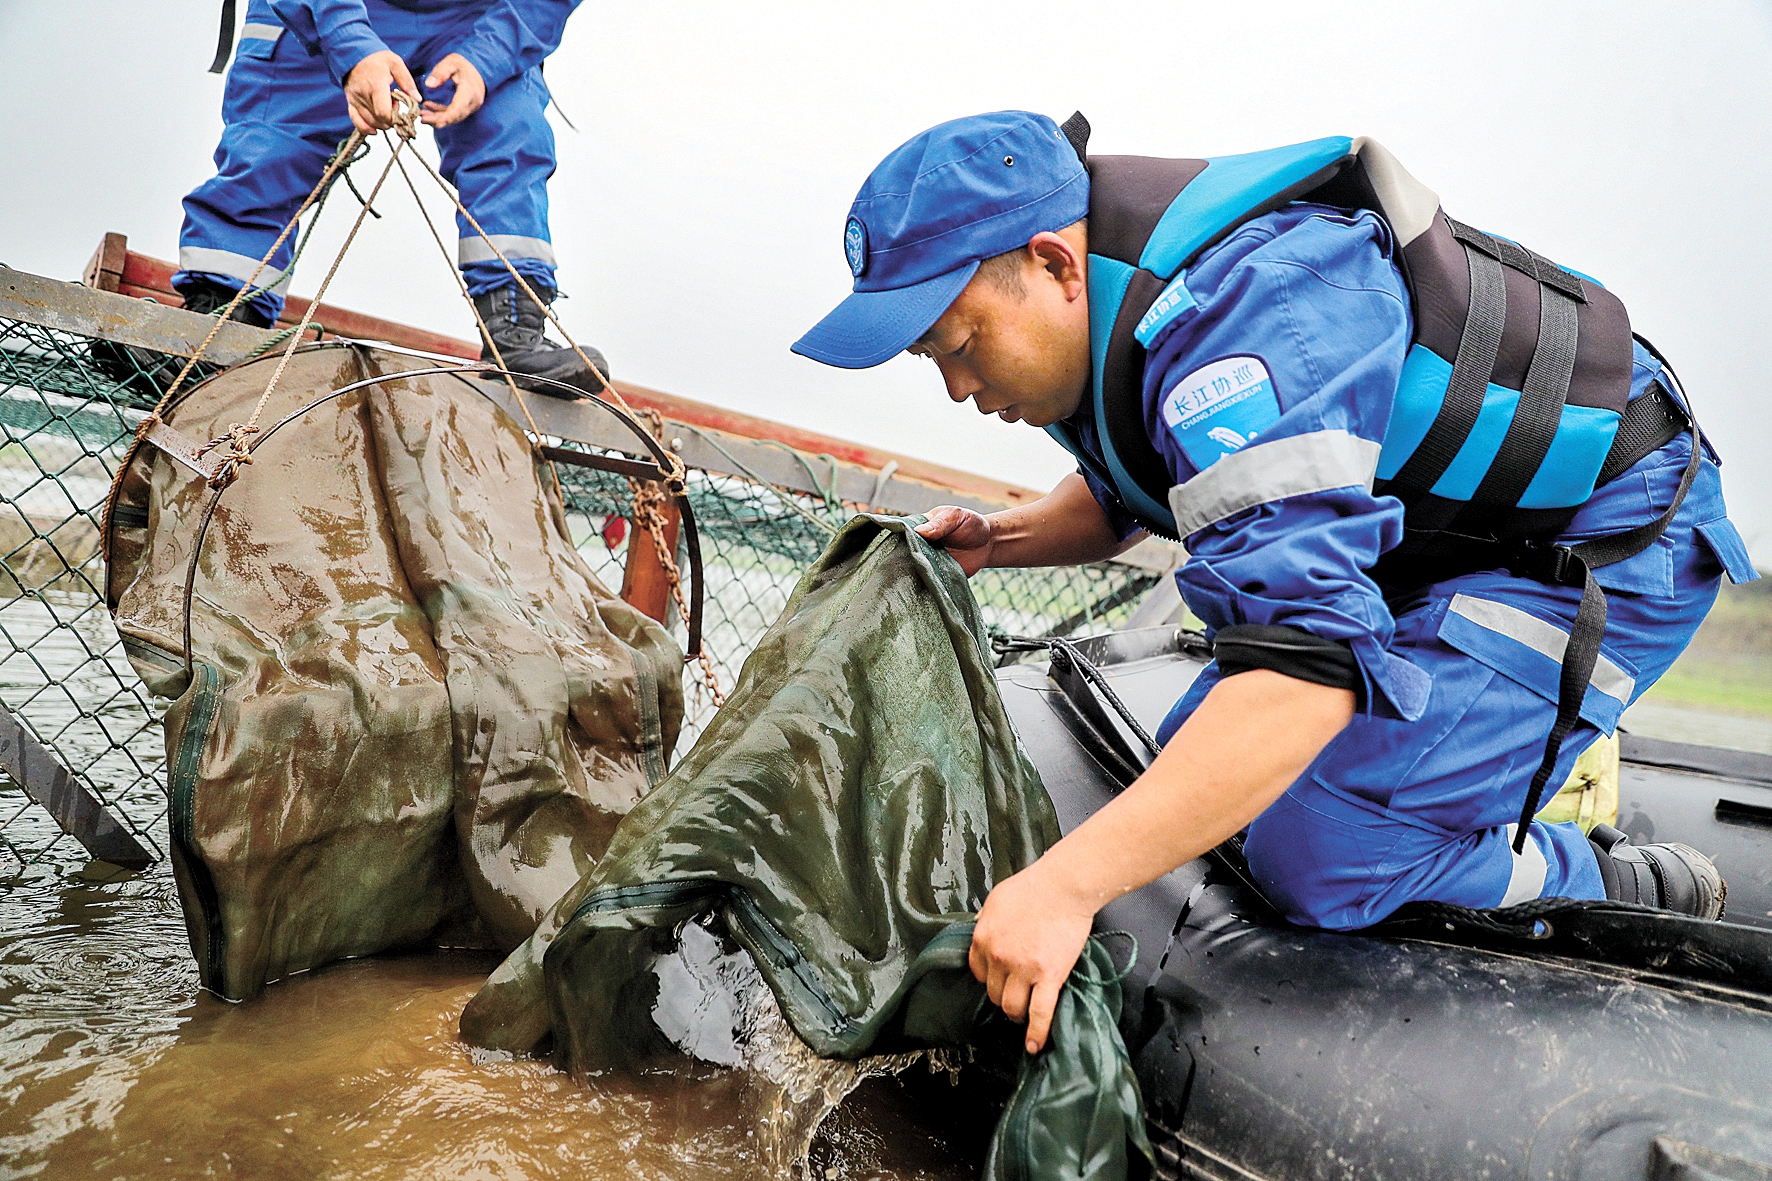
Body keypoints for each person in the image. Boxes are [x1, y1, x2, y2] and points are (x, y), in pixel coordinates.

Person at [791, 111, 1759, 1056]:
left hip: (1609, 537)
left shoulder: (1244, 316)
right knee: (1193, 759)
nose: (958, 387)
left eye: (961, 345)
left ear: (1052, 263)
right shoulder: (1113, 321)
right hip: (1439, 545)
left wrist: (1063, 886)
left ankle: (1606, 874)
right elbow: (1130, 482)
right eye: (933, 363)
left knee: (1317, 853)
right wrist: (997, 540)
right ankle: (1460, 786)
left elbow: (1308, 671)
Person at [170, 0, 604, 394]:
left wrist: (487, 59)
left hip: (478, 18)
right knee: (271, 147)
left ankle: (515, 332)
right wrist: (348, 43)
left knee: (509, 135)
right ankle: (220, 321)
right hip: (325, 8)